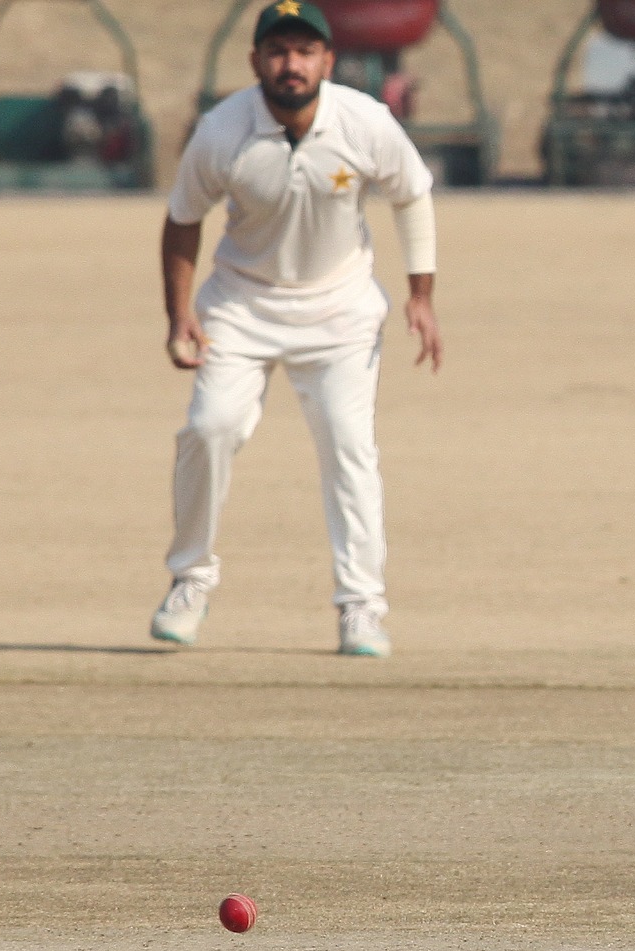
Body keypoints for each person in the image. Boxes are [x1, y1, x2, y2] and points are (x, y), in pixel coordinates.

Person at [152, 0, 441, 657]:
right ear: (256, 61)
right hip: (241, 304)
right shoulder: (222, 131)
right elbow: (182, 218)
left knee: (349, 447)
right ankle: (189, 582)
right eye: (278, 51)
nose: (291, 64)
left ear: (327, 61)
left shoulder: (364, 122)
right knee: (209, 428)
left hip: (339, 309)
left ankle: (361, 607)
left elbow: (412, 191)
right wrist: (180, 315)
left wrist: (420, 294)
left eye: (304, 51)